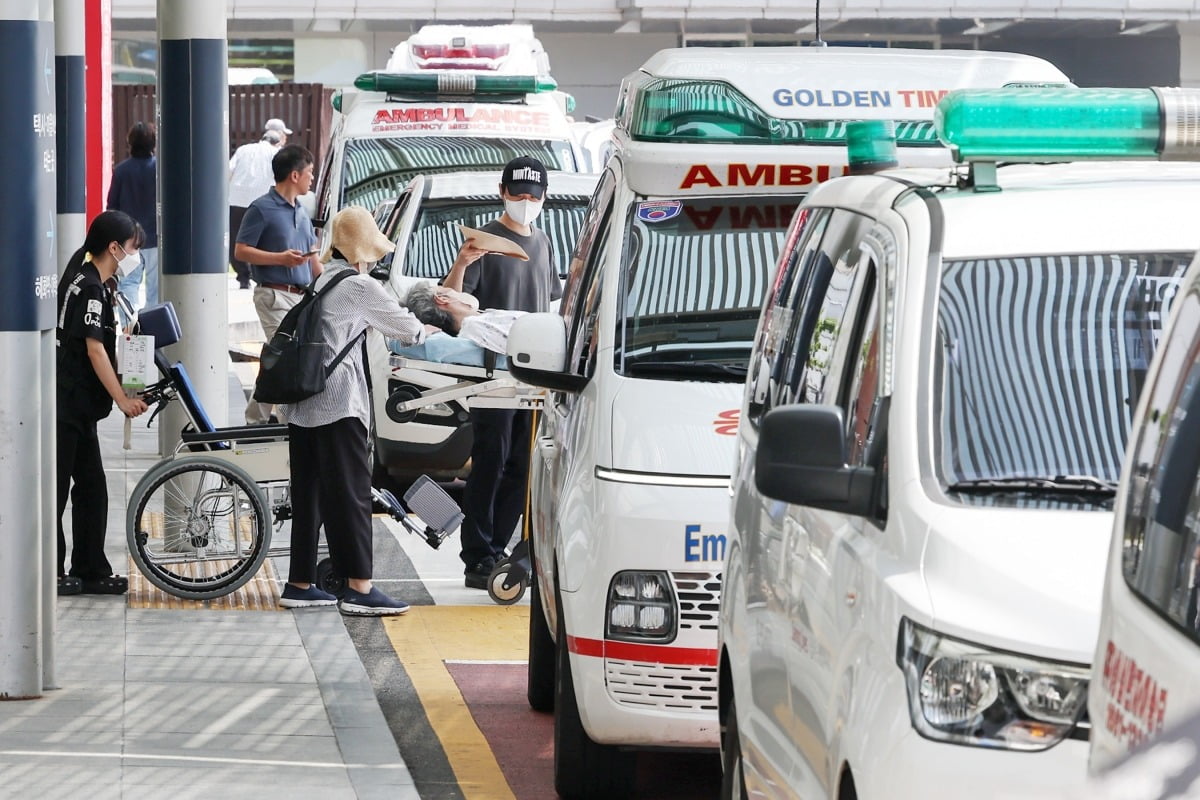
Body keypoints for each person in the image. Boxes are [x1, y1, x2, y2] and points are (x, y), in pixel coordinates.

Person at [281, 205, 430, 614]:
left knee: (309, 496)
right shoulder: (360, 286)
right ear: (365, 248)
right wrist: (428, 326)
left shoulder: (322, 279)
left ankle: (300, 583)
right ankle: (360, 588)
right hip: (338, 406)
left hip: (302, 405)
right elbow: (409, 330)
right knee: (350, 496)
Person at [444, 156, 561, 589]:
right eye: (518, 195)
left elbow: (550, 302)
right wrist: (461, 262)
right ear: (502, 192)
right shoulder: (485, 241)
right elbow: (452, 302)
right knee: (490, 461)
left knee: (522, 465)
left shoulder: (544, 243)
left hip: (534, 374)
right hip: (493, 373)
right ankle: (477, 554)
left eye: (533, 196)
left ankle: (502, 549)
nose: (526, 203)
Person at [56, 210, 150, 596]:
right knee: (59, 489)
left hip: (76, 406)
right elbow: (95, 350)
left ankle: (91, 568)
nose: (135, 257)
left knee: (91, 487)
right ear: (114, 248)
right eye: (132, 248)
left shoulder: (85, 275)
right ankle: (54, 570)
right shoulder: (92, 287)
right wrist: (123, 399)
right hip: (67, 404)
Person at [235, 144, 320, 424]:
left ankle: (256, 419)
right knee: (284, 356)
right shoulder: (261, 208)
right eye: (309, 172)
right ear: (294, 175)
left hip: (301, 297)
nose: (312, 178)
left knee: (279, 358)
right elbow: (241, 250)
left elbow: (314, 260)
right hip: (273, 294)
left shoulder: (303, 212)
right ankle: (282, 422)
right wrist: (280, 259)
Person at [107, 122, 158, 316]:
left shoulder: (121, 170)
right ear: (153, 142)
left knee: (128, 285)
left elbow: (112, 204)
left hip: (128, 242)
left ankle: (132, 332)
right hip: (155, 238)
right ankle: (154, 333)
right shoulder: (159, 169)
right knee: (155, 290)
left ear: (130, 143)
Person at [228, 124, 285, 289]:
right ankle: (257, 273)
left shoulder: (243, 149)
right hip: (261, 201)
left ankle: (243, 277)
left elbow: (229, 170)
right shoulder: (275, 153)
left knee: (237, 239)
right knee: (260, 239)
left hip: (237, 199)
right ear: (276, 142)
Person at [406, 282, 523, 354]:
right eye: (448, 289)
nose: (457, 291)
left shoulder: (482, 319)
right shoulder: (475, 327)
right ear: (443, 299)